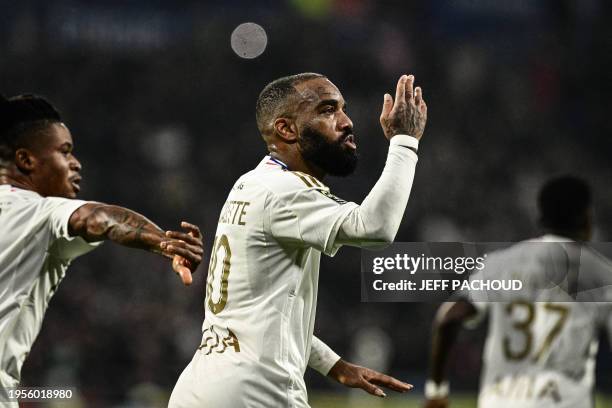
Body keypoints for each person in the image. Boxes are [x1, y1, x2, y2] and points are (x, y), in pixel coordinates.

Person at [169, 72, 427, 407]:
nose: (347, 122)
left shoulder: (251, 183)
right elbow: (375, 228)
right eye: (327, 110)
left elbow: (261, 315)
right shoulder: (285, 191)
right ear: (286, 129)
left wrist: (332, 364)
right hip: (256, 391)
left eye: (342, 109)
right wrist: (405, 141)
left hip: (201, 387)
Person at [0, 94, 204, 404]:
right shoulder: (35, 212)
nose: (75, 163)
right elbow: (99, 217)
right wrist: (164, 242)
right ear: (26, 160)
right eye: (64, 152)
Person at [424, 176, 612, 408]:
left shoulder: (499, 264)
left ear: (541, 216)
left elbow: (449, 318)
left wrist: (436, 392)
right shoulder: (603, 275)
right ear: (586, 218)